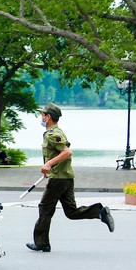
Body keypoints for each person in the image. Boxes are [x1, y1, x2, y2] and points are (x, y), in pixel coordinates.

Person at [26, 102, 114, 253]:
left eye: (43, 115)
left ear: (48, 117)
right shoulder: (57, 132)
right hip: (65, 176)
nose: (41, 117)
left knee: (45, 208)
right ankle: (99, 211)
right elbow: (60, 154)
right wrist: (50, 166)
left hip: (59, 178)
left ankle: (42, 243)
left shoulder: (53, 134)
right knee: (71, 212)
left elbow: (67, 152)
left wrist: (49, 164)